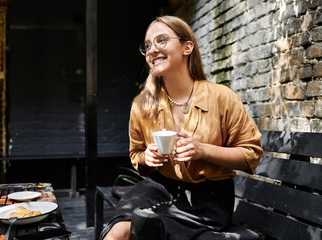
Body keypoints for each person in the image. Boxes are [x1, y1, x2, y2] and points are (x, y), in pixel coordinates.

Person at [101, 15, 263, 240]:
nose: (152, 50)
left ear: (187, 47)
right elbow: (136, 155)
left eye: (161, 40)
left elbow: (251, 155)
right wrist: (146, 158)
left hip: (209, 201)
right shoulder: (142, 104)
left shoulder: (221, 97)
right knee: (120, 230)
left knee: (141, 231)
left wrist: (202, 150)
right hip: (158, 188)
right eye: (147, 46)